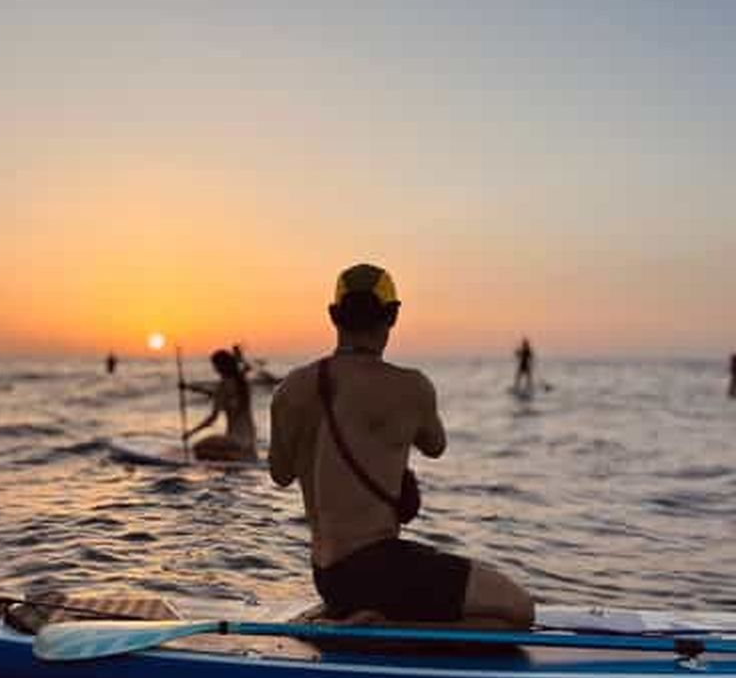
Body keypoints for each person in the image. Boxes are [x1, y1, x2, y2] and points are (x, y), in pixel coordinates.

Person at [269, 263, 533, 629]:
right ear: (393, 316)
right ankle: (381, 631)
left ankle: (355, 614)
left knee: (432, 581)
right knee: (517, 611)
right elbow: (435, 444)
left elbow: (280, 474)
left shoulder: (288, 390)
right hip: (378, 569)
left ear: (333, 316)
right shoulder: (411, 387)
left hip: (328, 577)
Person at [183, 348, 258, 461]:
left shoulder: (223, 385)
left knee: (198, 448)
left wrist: (190, 433)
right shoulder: (242, 383)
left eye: (215, 365)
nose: (214, 369)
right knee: (212, 449)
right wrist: (191, 388)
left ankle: (236, 457)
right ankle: (240, 455)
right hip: (250, 439)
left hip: (234, 440)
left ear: (221, 366)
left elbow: (212, 418)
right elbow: (216, 395)